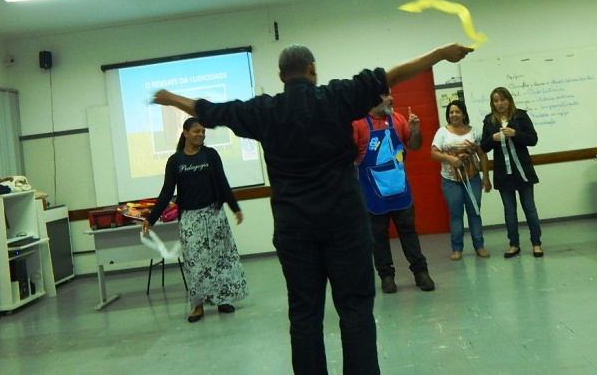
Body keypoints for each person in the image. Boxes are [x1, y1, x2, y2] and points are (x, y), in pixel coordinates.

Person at [151, 42, 473, 375]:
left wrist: (172, 98)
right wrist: (439, 54)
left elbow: (210, 111)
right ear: (313, 69)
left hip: (295, 230)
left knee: (304, 316)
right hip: (345, 224)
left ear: (281, 77)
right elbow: (389, 76)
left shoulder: (264, 111)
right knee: (356, 312)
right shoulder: (336, 97)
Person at [141, 117, 248, 323]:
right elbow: (167, 191)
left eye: (203, 131)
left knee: (220, 260)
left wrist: (235, 208)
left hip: (214, 215)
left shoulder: (211, 155)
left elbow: (223, 182)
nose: (201, 134)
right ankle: (198, 306)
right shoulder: (176, 161)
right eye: (196, 131)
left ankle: (222, 300)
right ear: (185, 133)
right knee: (195, 264)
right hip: (190, 219)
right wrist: (151, 218)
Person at [352, 94, 435, 294]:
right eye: (384, 94)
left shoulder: (398, 119)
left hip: (400, 191)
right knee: (378, 238)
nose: (391, 98)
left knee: (409, 234)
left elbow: (414, 146)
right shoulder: (358, 124)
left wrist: (415, 131)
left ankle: (421, 273)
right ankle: (386, 276)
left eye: (390, 93)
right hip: (372, 194)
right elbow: (346, 157)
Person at [479, 87, 544, 258]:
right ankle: (514, 244)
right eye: (496, 101)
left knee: (529, 207)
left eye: (502, 100)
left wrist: (516, 134)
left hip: (522, 170)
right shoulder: (489, 121)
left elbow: (533, 139)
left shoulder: (521, 116)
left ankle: (536, 243)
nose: (499, 103)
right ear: (492, 103)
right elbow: (483, 147)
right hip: (503, 172)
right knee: (509, 210)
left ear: (509, 100)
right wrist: (493, 138)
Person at [430, 100, 492, 261]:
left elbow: (482, 155)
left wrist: (486, 177)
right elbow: (434, 153)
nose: (454, 114)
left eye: (457, 111)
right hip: (450, 180)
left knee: (475, 213)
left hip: (473, 179)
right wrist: (449, 158)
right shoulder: (442, 132)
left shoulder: (474, 132)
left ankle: (479, 246)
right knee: (456, 214)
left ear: (463, 114)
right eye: (451, 112)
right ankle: (457, 249)